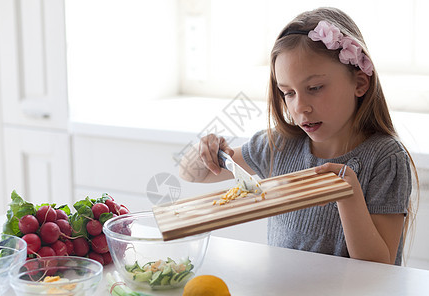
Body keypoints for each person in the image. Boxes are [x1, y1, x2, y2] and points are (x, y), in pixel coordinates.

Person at [179, 7, 419, 266]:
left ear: (360, 83)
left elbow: (378, 265)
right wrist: (205, 148)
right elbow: (192, 174)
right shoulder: (279, 144)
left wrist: (347, 194)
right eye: (288, 93)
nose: (300, 107)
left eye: (314, 88)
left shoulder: (386, 158)